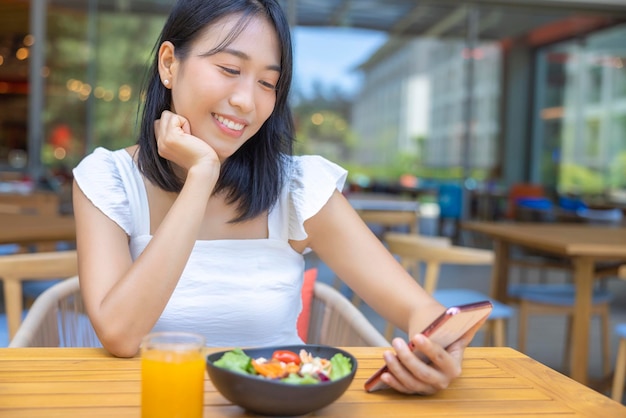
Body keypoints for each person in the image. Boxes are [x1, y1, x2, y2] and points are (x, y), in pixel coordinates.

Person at [72, 0, 484, 395]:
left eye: (268, 83)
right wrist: (201, 176)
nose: (246, 101)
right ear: (168, 63)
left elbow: (421, 312)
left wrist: (438, 355)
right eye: (230, 68)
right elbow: (121, 334)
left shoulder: (298, 186)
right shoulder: (109, 177)